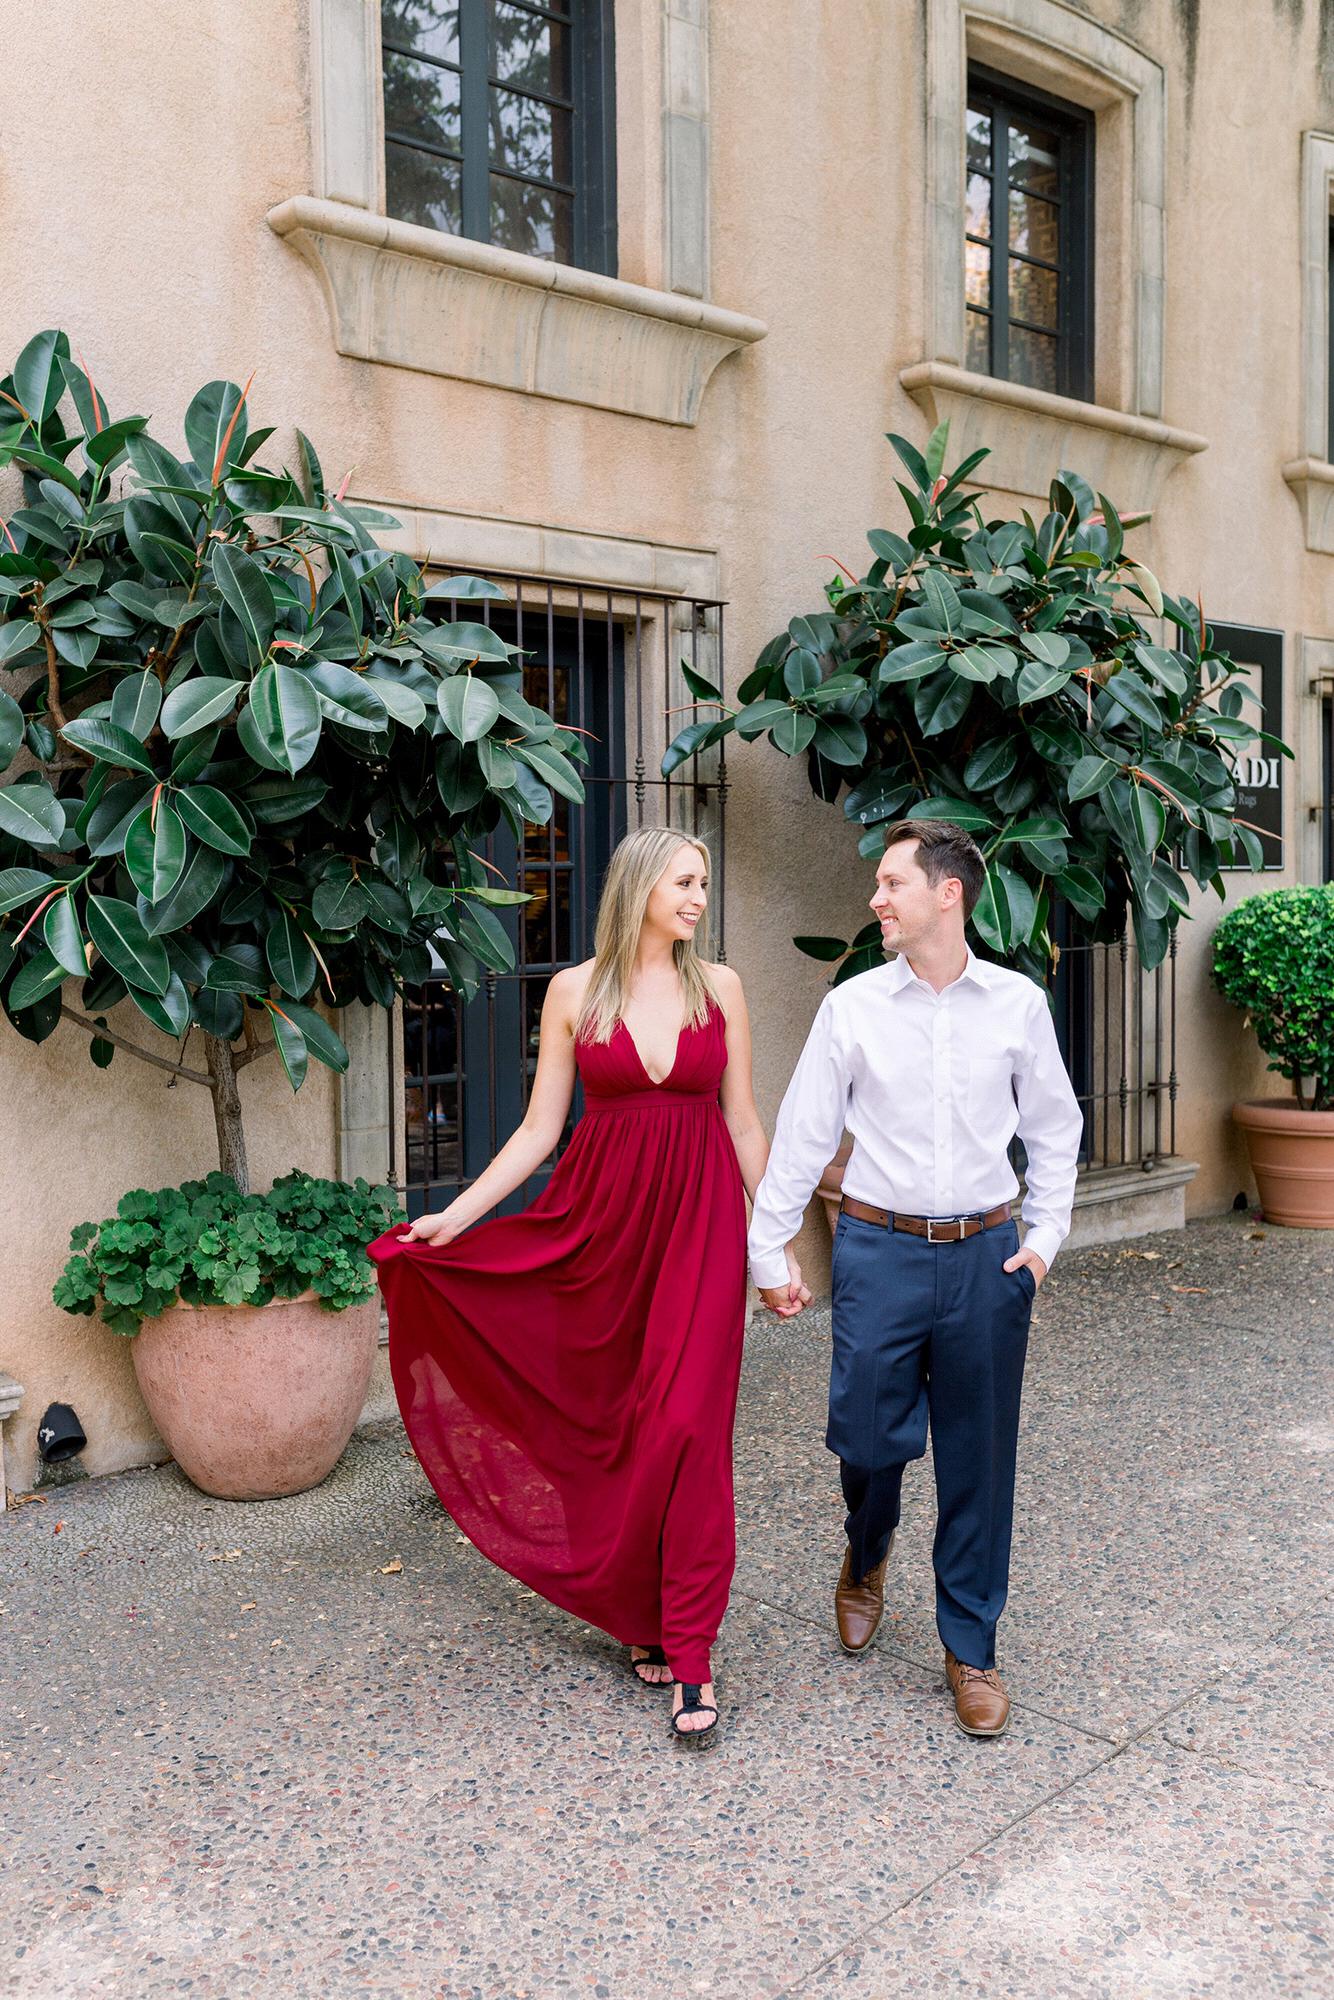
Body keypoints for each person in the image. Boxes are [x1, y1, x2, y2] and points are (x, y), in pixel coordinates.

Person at [370, 827, 805, 1749]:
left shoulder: (720, 987)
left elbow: (742, 1125)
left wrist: (776, 1248)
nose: (698, 899)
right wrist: (457, 1218)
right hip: (599, 1234)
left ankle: (692, 1650)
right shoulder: (575, 991)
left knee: (688, 1428)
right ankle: (640, 1610)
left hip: (699, 1234)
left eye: (704, 883)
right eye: (685, 882)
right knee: (612, 1421)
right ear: (640, 886)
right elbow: (538, 1132)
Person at [747, 819, 1083, 1738]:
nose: (877, 899)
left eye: (893, 883)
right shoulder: (853, 1006)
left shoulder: (1016, 1005)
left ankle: (971, 1646)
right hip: (879, 1251)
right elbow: (805, 1135)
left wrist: (1043, 1241)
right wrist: (768, 1251)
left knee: (979, 1456)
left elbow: (1055, 1130)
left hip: (986, 1255)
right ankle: (866, 1551)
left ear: (948, 893)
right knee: (865, 1439)